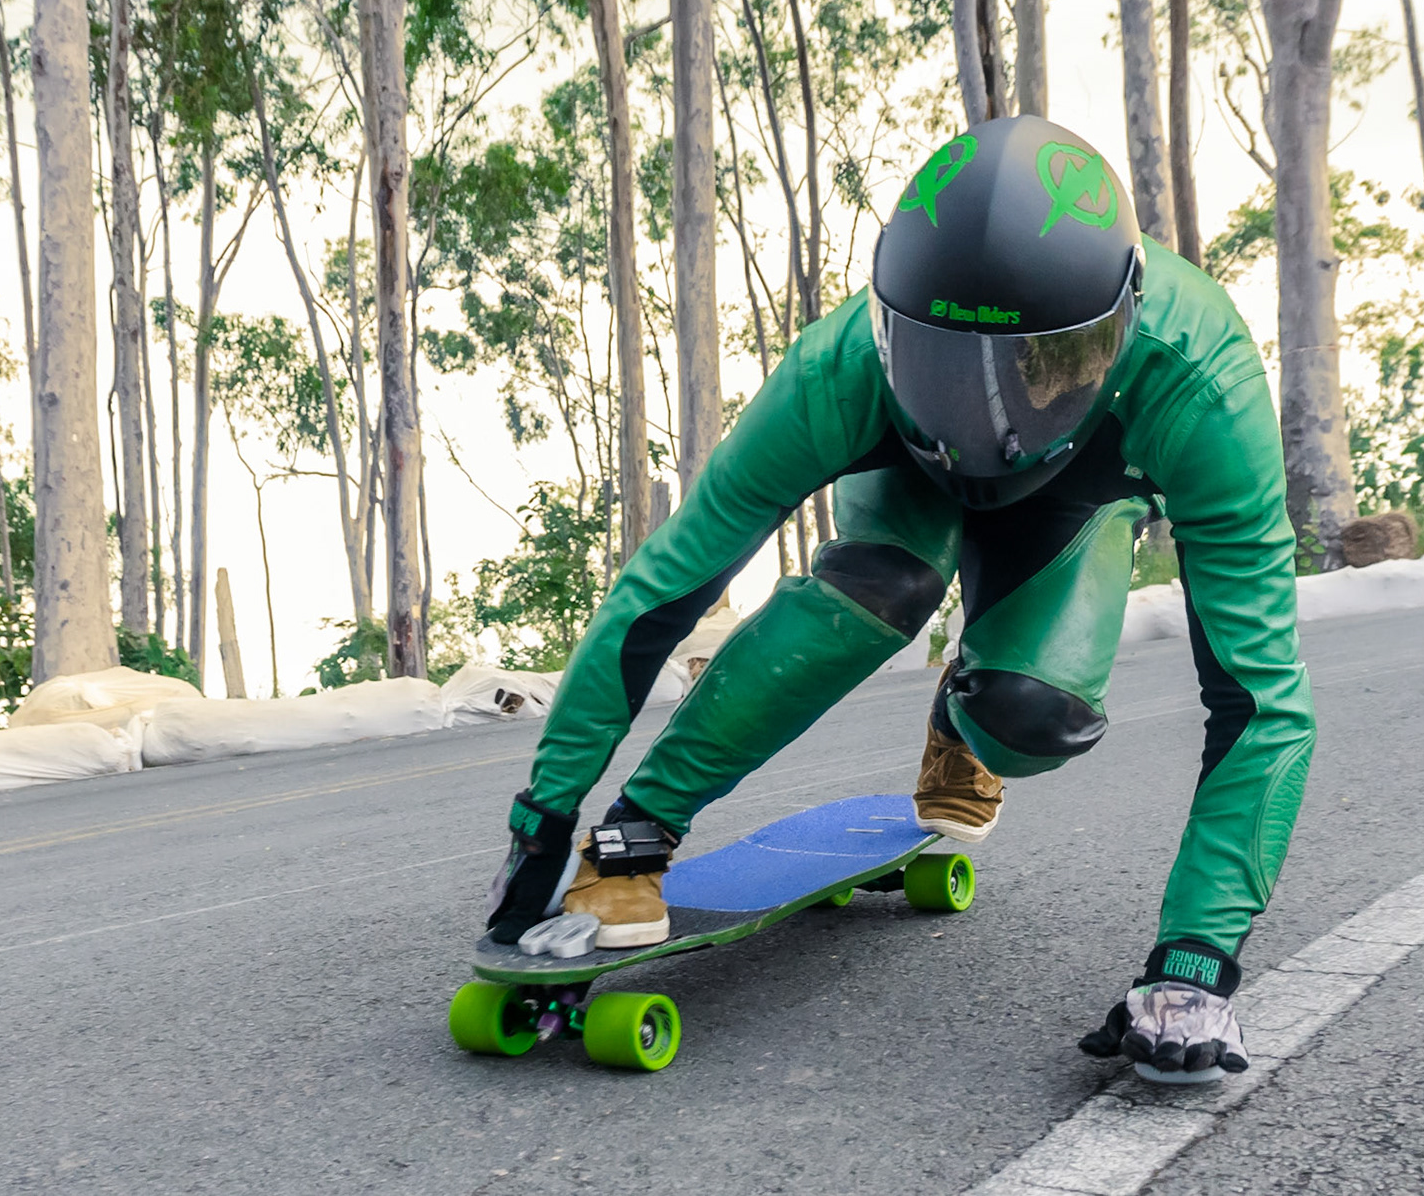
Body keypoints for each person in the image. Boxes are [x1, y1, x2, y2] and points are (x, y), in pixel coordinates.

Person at [484, 115, 1314, 1082]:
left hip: (1077, 500)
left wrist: (1196, 962)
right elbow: (664, 591)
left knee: (1028, 719)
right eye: (946, 365)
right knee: (876, 589)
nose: (987, 421)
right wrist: (544, 819)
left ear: (1125, 323)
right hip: (905, 477)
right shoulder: (839, 366)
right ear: (884, 320)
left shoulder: (1202, 384)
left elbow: (1262, 703)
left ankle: (969, 708)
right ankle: (637, 831)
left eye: (1041, 371)